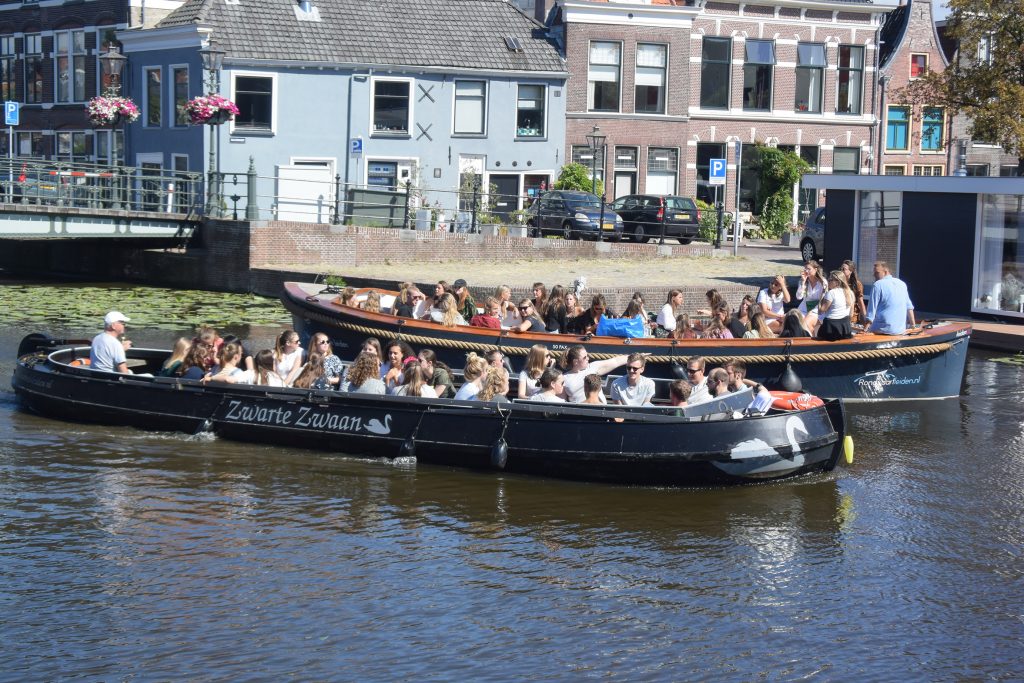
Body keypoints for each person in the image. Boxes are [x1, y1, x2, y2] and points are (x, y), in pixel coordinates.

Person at [560, 345, 628, 403]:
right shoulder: (564, 378)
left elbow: (616, 361)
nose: (588, 358)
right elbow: (563, 401)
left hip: (599, 410)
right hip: (578, 412)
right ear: (576, 362)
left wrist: (634, 357)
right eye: (585, 357)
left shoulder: (593, 367)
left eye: (587, 356)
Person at [865, 261, 916, 335]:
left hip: (882, 329)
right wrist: (913, 326)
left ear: (885, 272)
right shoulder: (902, 284)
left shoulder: (877, 285)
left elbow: (871, 313)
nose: (874, 275)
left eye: (877, 273)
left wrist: (865, 329)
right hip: (900, 330)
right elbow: (909, 307)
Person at [816, 270, 855, 341]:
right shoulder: (850, 293)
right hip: (845, 326)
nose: (828, 281)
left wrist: (822, 296)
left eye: (830, 279)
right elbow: (851, 314)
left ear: (837, 282)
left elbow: (821, 311)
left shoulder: (831, 293)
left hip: (831, 327)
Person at [842, 260, 868, 325]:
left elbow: (860, 302)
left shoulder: (857, 284)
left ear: (851, 271)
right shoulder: (839, 283)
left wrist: (865, 317)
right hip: (840, 313)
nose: (841, 271)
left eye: (844, 269)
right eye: (841, 269)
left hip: (852, 315)